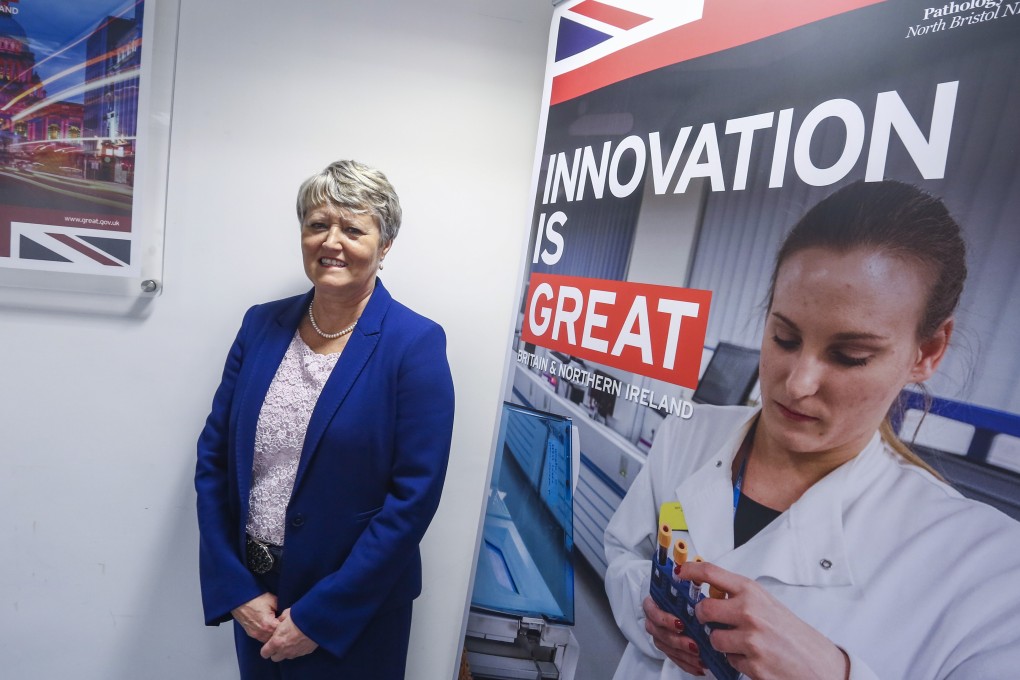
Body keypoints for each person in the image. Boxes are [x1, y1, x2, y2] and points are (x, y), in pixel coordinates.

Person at [604, 180, 1020, 679]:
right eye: (784, 337)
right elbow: (624, 553)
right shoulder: (689, 436)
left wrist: (834, 674)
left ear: (927, 352)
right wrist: (650, 613)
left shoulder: (986, 567)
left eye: (850, 356)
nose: (797, 383)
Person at [195, 160, 455, 679]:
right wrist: (235, 589)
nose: (331, 241)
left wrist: (320, 616)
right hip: (258, 605)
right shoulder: (260, 324)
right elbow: (214, 462)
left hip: (354, 616)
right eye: (318, 225)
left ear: (385, 246)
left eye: (353, 229)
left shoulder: (415, 344)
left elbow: (412, 500)